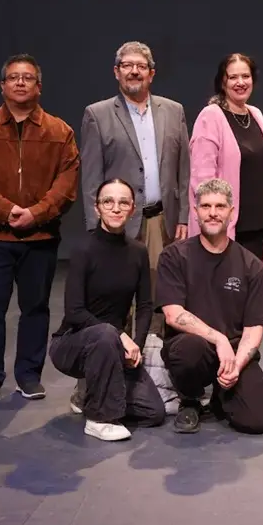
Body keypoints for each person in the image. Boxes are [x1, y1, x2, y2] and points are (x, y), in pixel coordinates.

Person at [0, 54, 79, 406]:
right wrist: (6, 210)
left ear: (38, 86)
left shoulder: (60, 132)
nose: (21, 83)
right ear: (2, 86)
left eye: (28, 78)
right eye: (14, 78)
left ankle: (29, 375)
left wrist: (36, 214)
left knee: (35, 308)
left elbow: (66, 182)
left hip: (39, 237)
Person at [78, 41, 190, 335]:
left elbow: (184, 171)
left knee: (157, 298)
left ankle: (152, 368)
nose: (134, 71)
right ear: (117, 72)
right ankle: (113, 368)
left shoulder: (173, 111)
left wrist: (183, 218)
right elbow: (91, 177)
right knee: (115, 301)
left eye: (141, 66)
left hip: (161, 221)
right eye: (127, 65)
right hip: (116, 223)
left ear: (151, 73)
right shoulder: (97, 114)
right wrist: (96, 230)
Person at [48, 179, 166, 441]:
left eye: (123, 202)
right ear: (97, 207)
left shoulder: (137, 251)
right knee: (104, 334)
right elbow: (75, 311)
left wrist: (135, 343)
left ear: (132, 209)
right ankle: (99, 418)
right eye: (108, 202)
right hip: (73, 343)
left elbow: (145, 306)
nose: (116, 208)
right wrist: (120, 335)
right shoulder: (83, 249)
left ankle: (90, 393)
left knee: (153, 413)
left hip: (114, 349)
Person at [157, 178, 263, 434]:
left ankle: (221, 398)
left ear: (231, 213)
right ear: (196, 211)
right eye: (206, 206)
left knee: (258, 422)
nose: (213, 213)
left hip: (234, 353)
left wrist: (238, 363)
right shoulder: (175, 256)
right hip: (193, 346)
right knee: (189, 349)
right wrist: (219, 339)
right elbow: (172, 314)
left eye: (220, 206)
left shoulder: (250, 265)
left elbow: (254, 327)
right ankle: (189, 400)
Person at [188, 53, 263, 266]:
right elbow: (202, 180)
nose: (240, 82)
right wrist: (214, 217)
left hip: (258, 224)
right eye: (233, 77)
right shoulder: (211, 116)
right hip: (228, 226)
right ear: (223, 81)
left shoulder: (255, 114)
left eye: (246, 76)